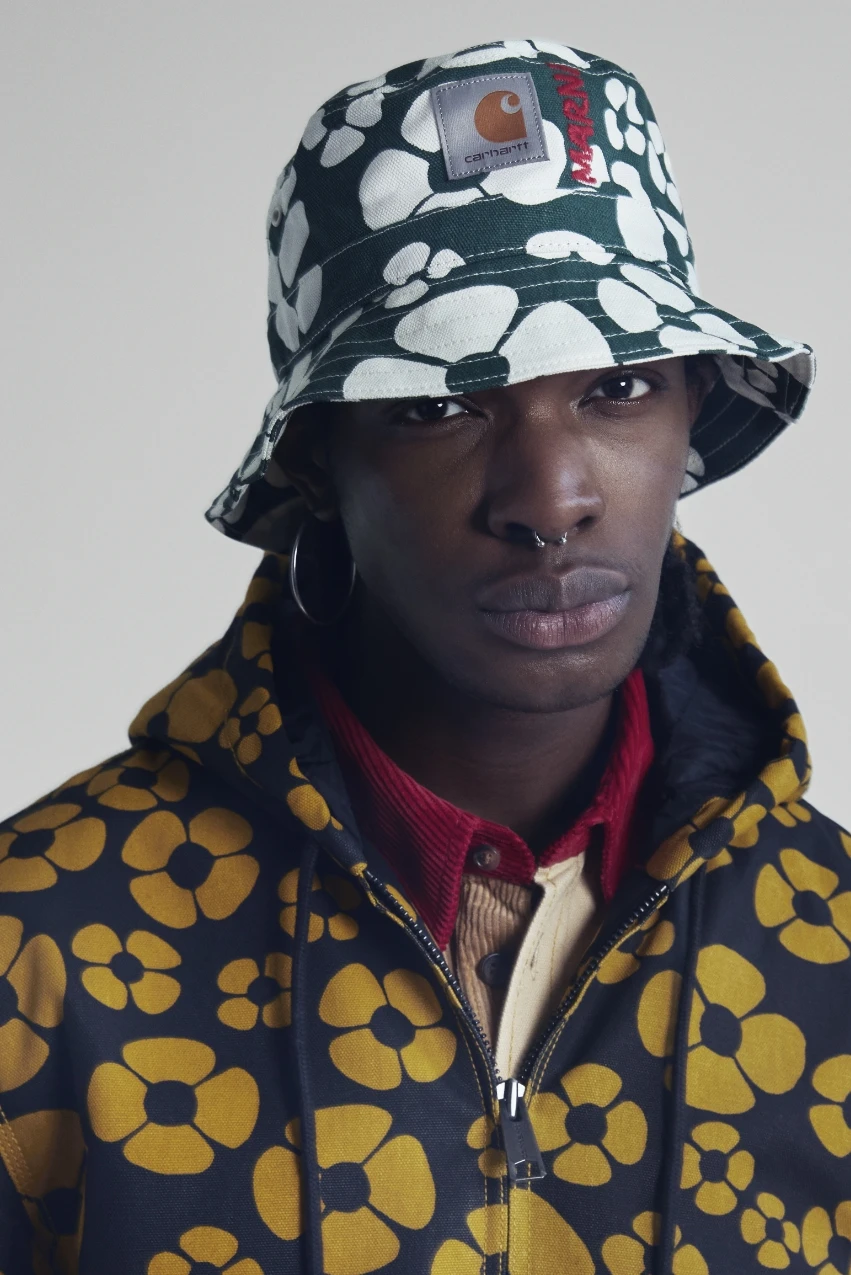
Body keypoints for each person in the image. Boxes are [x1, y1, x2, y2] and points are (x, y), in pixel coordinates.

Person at [1, 36, 848, 1275]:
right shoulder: (41, 944)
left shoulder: (828, 947)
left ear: (690, 415)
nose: (548, 498)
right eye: (438, 405)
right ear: (317, 465)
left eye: (616, 388)